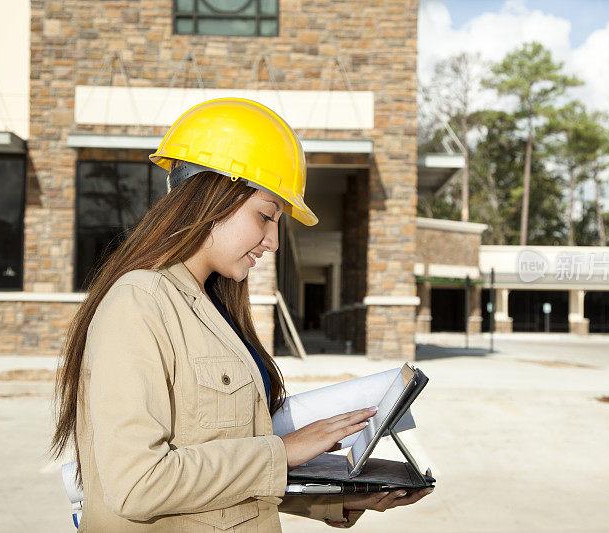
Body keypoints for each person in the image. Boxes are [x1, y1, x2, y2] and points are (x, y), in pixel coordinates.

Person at [51, 98, 431, 531]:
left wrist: (337, 496)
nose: (272, 240)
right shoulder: (139, 303)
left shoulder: (215, 306)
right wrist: (283, 451)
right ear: (212, 197)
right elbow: (138, 484)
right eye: (266, 215)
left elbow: (221, 472)